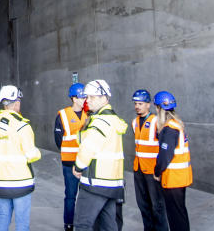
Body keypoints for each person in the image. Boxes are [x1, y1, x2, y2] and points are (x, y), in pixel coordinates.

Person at [71, 79, 127, 231]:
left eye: (92, 97)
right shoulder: (113, 120)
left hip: (95, 183)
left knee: (82, 225)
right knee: (108, 226)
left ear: (104, 98)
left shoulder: (100, 122)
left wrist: (78, 166)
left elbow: (88, 148)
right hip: (111, 183)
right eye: (87, 97)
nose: (88, 100)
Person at [0, 85, 41, 231]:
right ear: (16, 103)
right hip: (21, 182)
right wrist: (38, 153)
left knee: (3, 217)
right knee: (22, 222)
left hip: (1, 182)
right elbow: (31, 155)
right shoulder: (23, 126)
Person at [153, 91, 192, 231]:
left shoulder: (169, 129)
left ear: (159, 108)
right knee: (180, 212)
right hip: (180, 177)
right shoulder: (177, 125)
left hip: (173, 179)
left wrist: (157, 171)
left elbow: (165, 156)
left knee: (175, 215)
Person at [54, 82, 87, 231]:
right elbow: (58, 139)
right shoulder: (63, 115)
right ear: (74, 98)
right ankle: (69, 224)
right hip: (70, 162)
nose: (85, 100)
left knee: (87, 196)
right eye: (82, 97)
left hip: (87, 161)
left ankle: (84, 224)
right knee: (71, 195)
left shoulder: (90, 114)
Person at [132, 90, 166, 231]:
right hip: (139, 169)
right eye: (135, 104)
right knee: (143, 204)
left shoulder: (156, 121)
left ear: (148, 104)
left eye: (140, 103)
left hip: (152, 171)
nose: (137, 106)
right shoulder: (134, 122)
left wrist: (159, 170)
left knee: (157, 205)